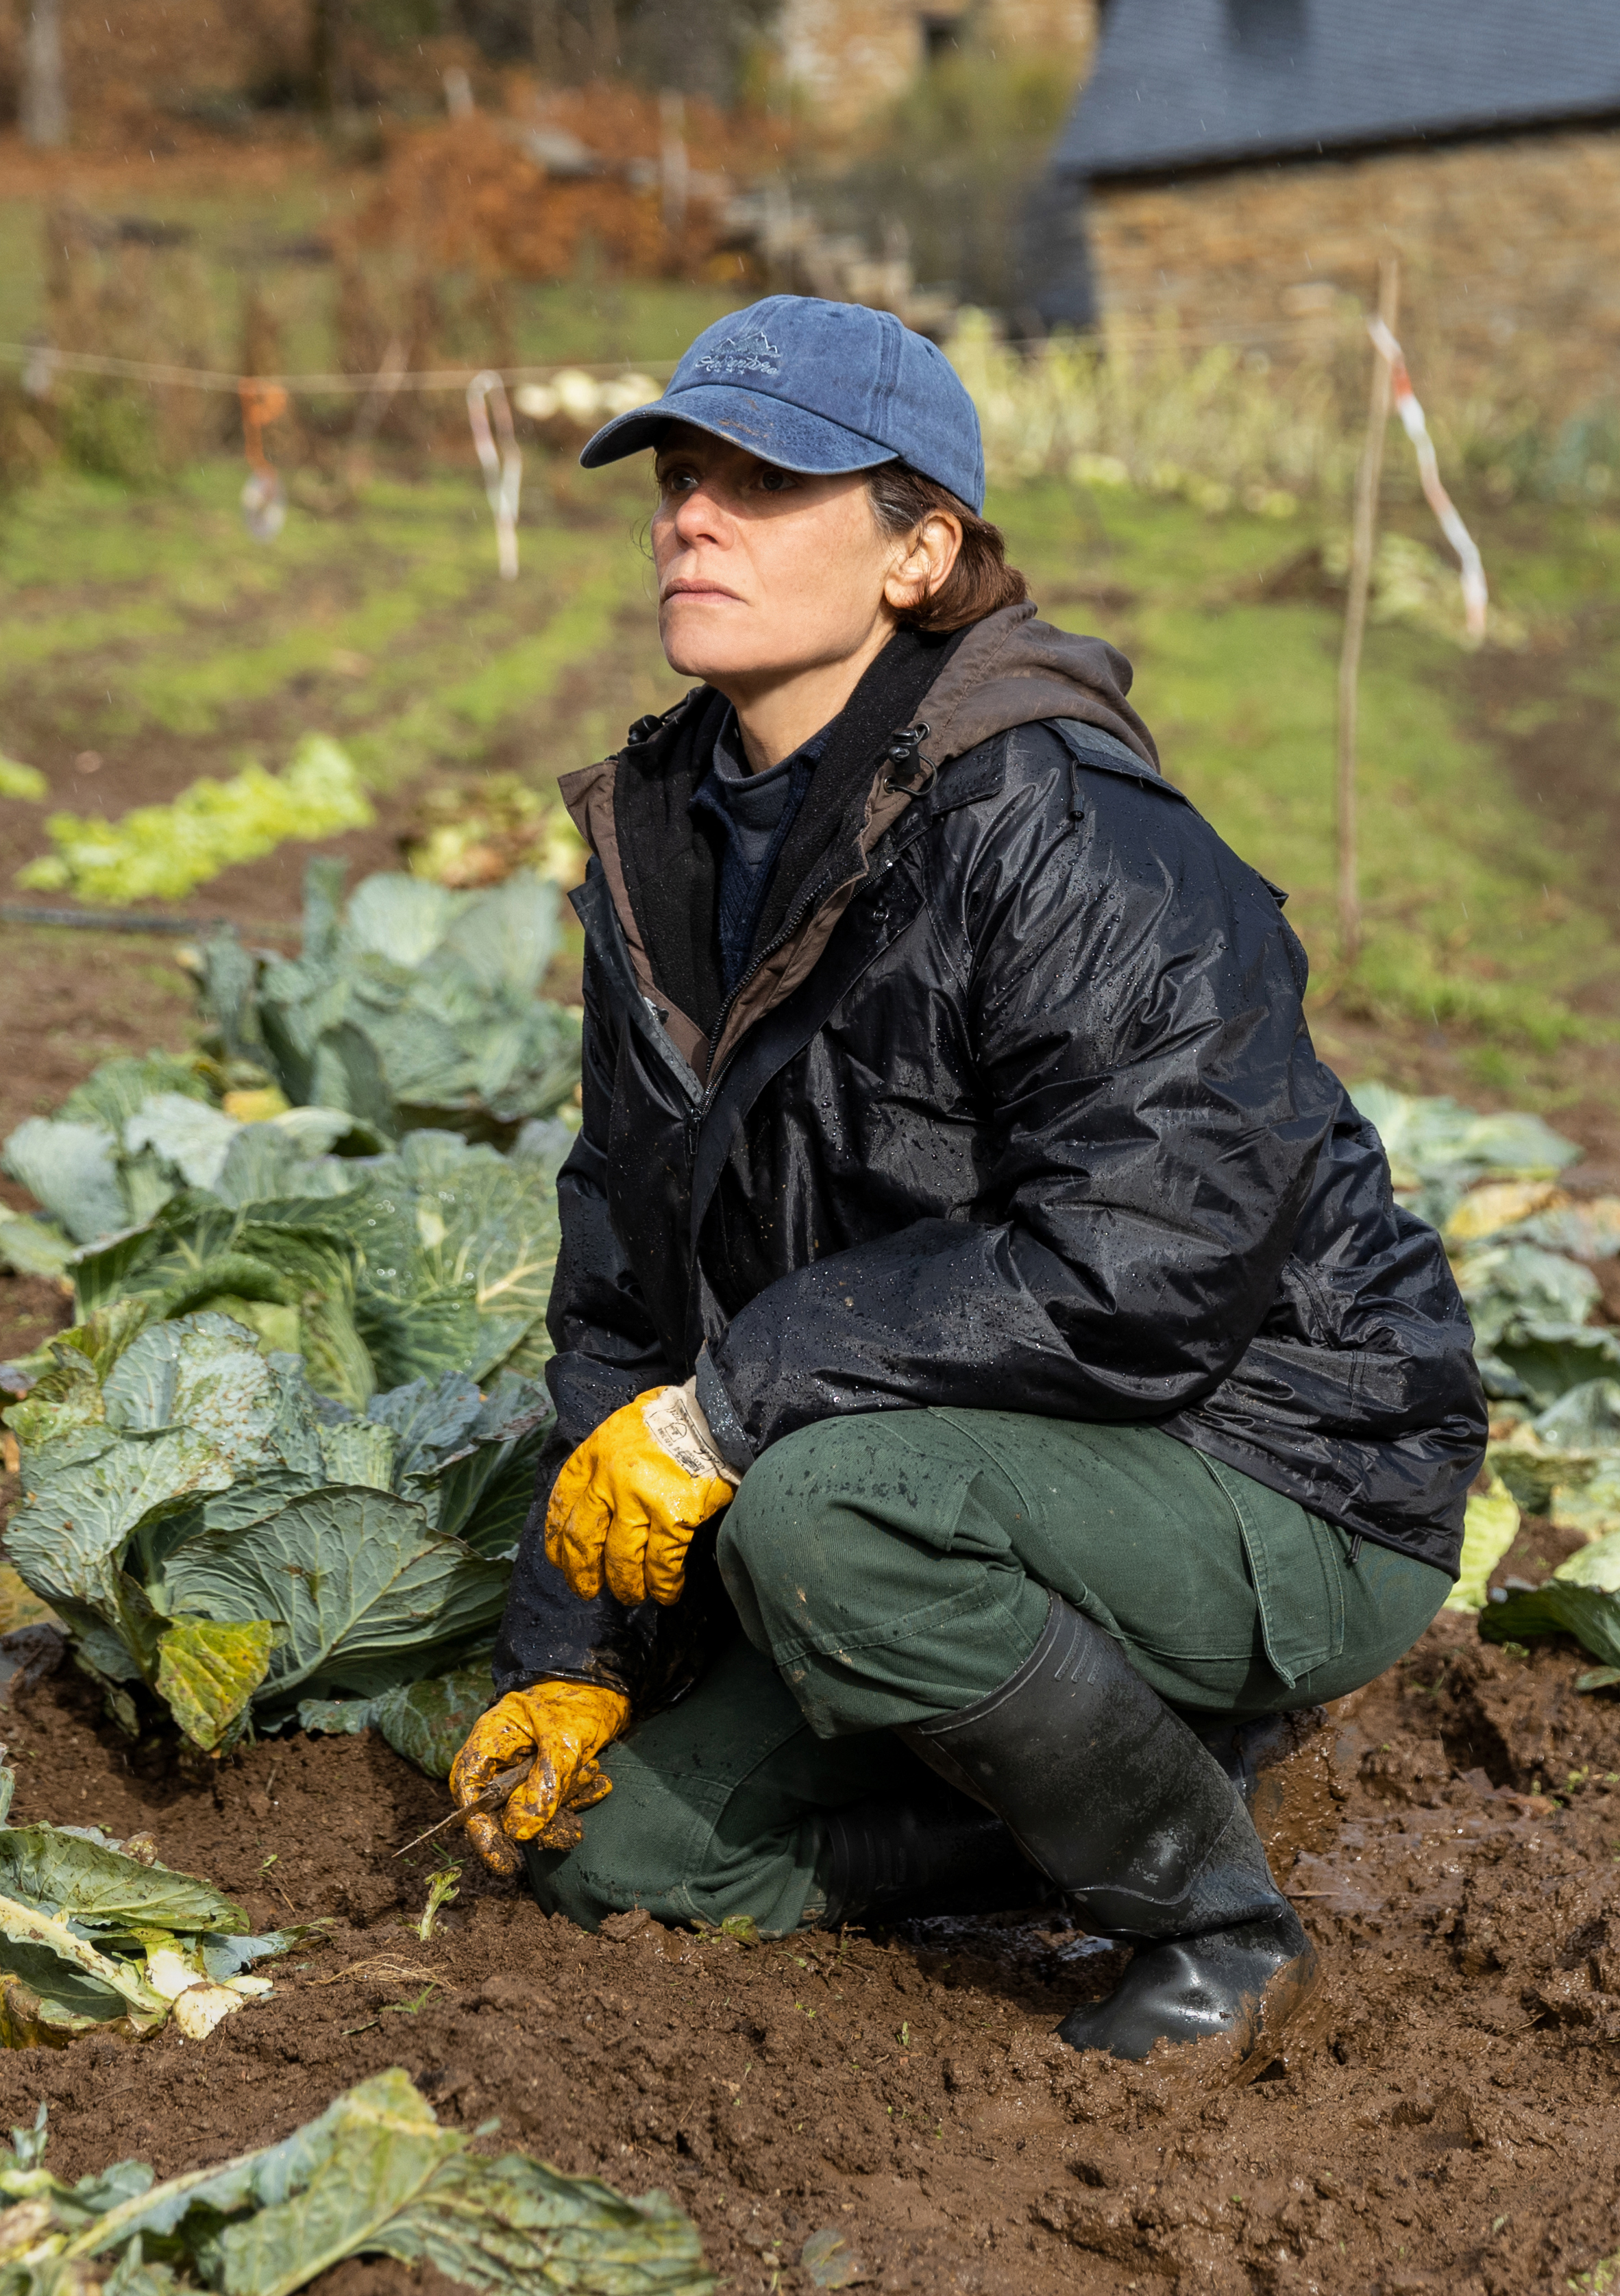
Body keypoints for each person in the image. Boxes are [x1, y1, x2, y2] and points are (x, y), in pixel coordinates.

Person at [445, 295, 1482, 2067]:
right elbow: (624, 1275)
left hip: (1281, 1457)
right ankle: (1122, 1745)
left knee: (822, 1517)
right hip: (966, 1443)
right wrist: (576, 1652)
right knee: (608, 1847)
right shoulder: (661, 845)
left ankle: (1212, 1921)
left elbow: (1144, 1266)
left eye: (764, 485)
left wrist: (734, 1411)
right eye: (682, 476)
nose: (692, 515)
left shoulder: (1061, 827)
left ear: (920, 551)